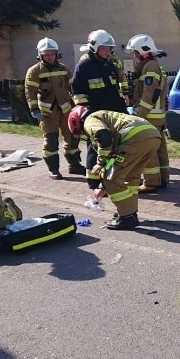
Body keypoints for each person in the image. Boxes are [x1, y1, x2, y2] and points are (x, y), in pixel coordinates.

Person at [67, 105, 161, 230]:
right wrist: (102, 187)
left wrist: (100, 163)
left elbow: (103, 137)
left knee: (111, 179)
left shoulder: (90, 120)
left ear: (77, 122)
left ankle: (127, 217)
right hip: (152, 135)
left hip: (134, 138)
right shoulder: (104, 114)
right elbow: (112, 157)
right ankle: (130, 213)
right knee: (131, 177)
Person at [71, 30, 131, 191]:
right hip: (95, 115)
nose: (107, 51)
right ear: (94, 47)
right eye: (104, 47)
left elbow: (114, 92)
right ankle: (93, 181)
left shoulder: (109, 66)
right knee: (94, 148)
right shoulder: (83, 67)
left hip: (113, 114)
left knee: (114, 149)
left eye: (109, 48)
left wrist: (124, 113)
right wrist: (86, 117)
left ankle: (108, 178)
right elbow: (78, 94)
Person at [25, 37, 85, 180]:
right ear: (40, 55)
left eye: (52, 54)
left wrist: (78, 105)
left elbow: (73, 87)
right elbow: (30, 92)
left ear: (57, 54)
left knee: (72, 139)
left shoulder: (64, 69)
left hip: (66, 110)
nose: (50, 57)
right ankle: (54, 170)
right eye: (46, 54)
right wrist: (34, 110)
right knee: (51, 142)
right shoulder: (34, 71)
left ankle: (74, 165)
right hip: (47, 114)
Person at [125, 34, 168, 192]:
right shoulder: (154, 65)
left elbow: (149, 94)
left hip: (149, 116)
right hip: (158, 116)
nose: (134, 56)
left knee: (148, 150)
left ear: (142, 52)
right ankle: (163, 178)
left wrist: (139, 116)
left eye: (135, 52)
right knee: (160, 148)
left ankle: (151, 182)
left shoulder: (149, 67)